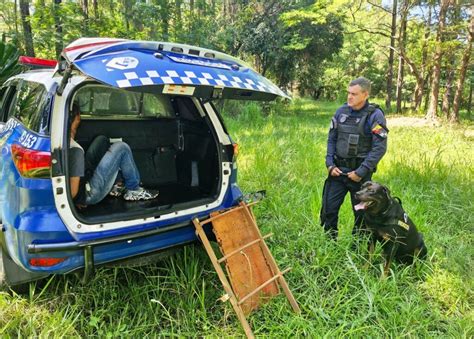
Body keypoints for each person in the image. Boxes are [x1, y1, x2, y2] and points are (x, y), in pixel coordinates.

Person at [320, 77, 388, 239]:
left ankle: (357, 247)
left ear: (365, 95)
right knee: (329, 209)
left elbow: (380, 148)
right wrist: (329, 164)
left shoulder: (375, 115)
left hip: (360, 174)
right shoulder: (341, 112)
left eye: (354, 94)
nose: (349, 97)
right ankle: (329, 242)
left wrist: (361, 171)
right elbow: (332, 139)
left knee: (361, 214)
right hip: (338, 171)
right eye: (348, 93)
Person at [69, 103, 158, 206]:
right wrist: (77, 202)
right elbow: (73, 192)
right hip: (88, 193)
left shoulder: (67, 141)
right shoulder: (76, 150)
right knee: (122, 148)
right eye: (79, 114)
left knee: (101, 140)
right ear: (75, 117)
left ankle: (116, 185)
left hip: (85, 181)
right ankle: (134, 189)